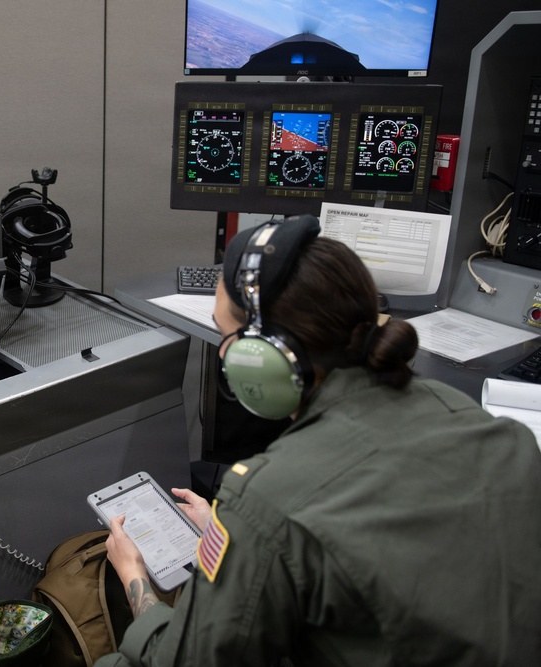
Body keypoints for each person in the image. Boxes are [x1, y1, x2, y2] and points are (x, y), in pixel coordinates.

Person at [96, 215, 541, 666]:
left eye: (229, 337)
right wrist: (245, 540)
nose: (225, 357)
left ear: (265, 357)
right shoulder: (497, 434)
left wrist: (136, 580)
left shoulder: (267, 498)